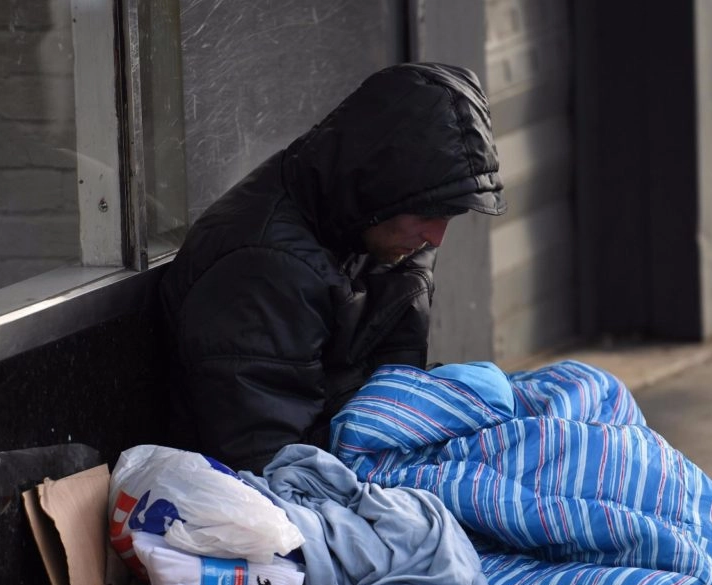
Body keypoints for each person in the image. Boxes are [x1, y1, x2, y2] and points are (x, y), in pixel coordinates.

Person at [159, 63, 506, 474]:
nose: (437, 237)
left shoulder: (377, 231)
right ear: (378, 187)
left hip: (345, 443)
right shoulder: (266, 269)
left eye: (450, 214)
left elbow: (394, 377)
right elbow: (272, 466)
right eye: (429, 212)